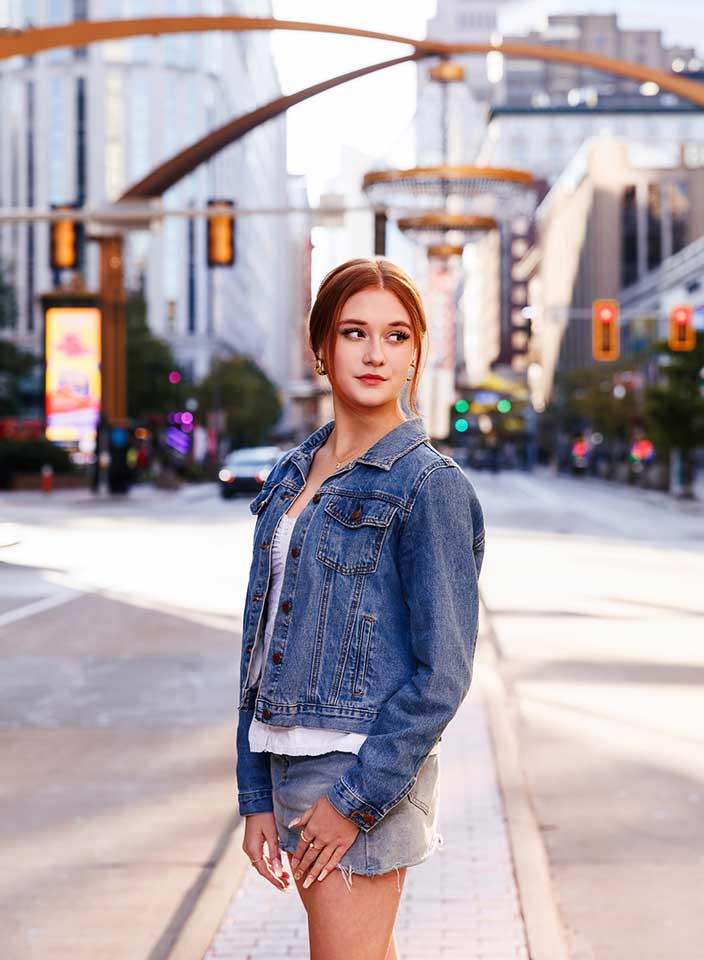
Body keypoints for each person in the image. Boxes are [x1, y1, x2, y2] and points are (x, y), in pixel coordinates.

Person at [236, 257, 485, 960]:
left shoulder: (428, 485)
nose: (376, 354)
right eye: (354, 332)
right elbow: (260, 644)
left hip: (357, 774)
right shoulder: (292, 475)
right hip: (288, 764)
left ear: (417, 351)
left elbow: (443, 674)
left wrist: (354, 802)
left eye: (397, 335)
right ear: (320, 347)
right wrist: (254, 790)